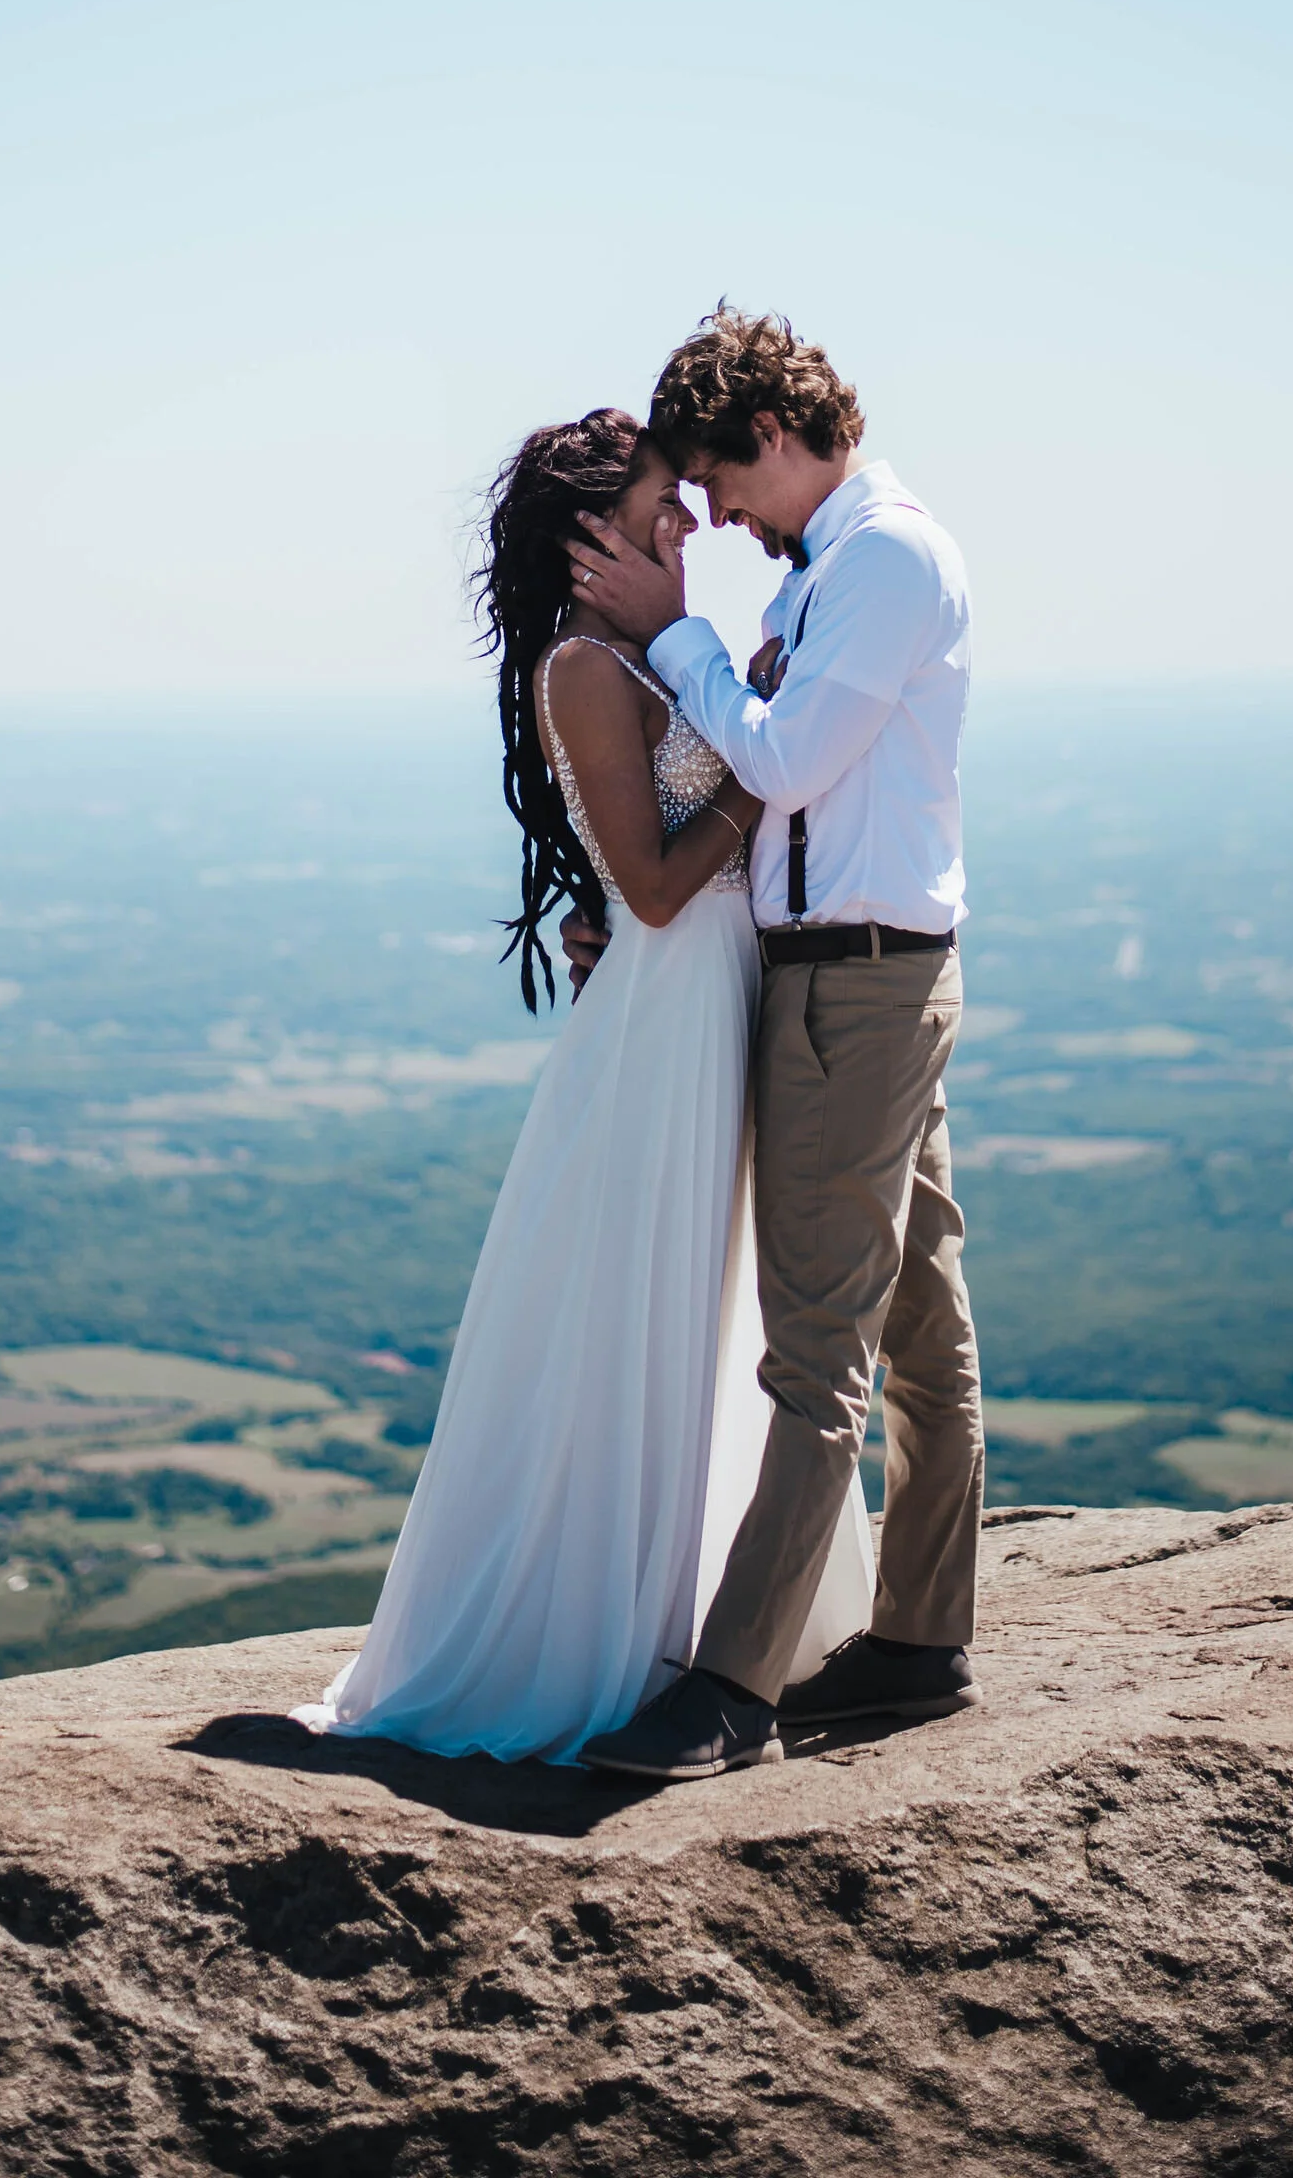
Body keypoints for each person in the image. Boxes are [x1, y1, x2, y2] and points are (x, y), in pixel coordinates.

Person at [292, 407, 872, 1764]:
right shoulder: (584, 670)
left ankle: (718, 1621)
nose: (686, 526)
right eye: (663, 504)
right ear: (592, 534)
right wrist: (771, 769)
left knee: (715, 1308)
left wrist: (738, 712)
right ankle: (605, 1632)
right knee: (645, 1311)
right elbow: (660, 895)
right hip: (669, 1019)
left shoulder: (638, 659)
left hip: (708, 1003)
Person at [562, 306, 983, 1786]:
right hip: (859, 970)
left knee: (815, 1352)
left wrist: (672, 639)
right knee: (917, 1314)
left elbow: (788, 765)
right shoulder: (840, 570)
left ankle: (731, 1687)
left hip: (856, 988)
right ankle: (922, 1641)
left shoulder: (882, 558)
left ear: (767, 433)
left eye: (719, 484)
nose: (720, 517)